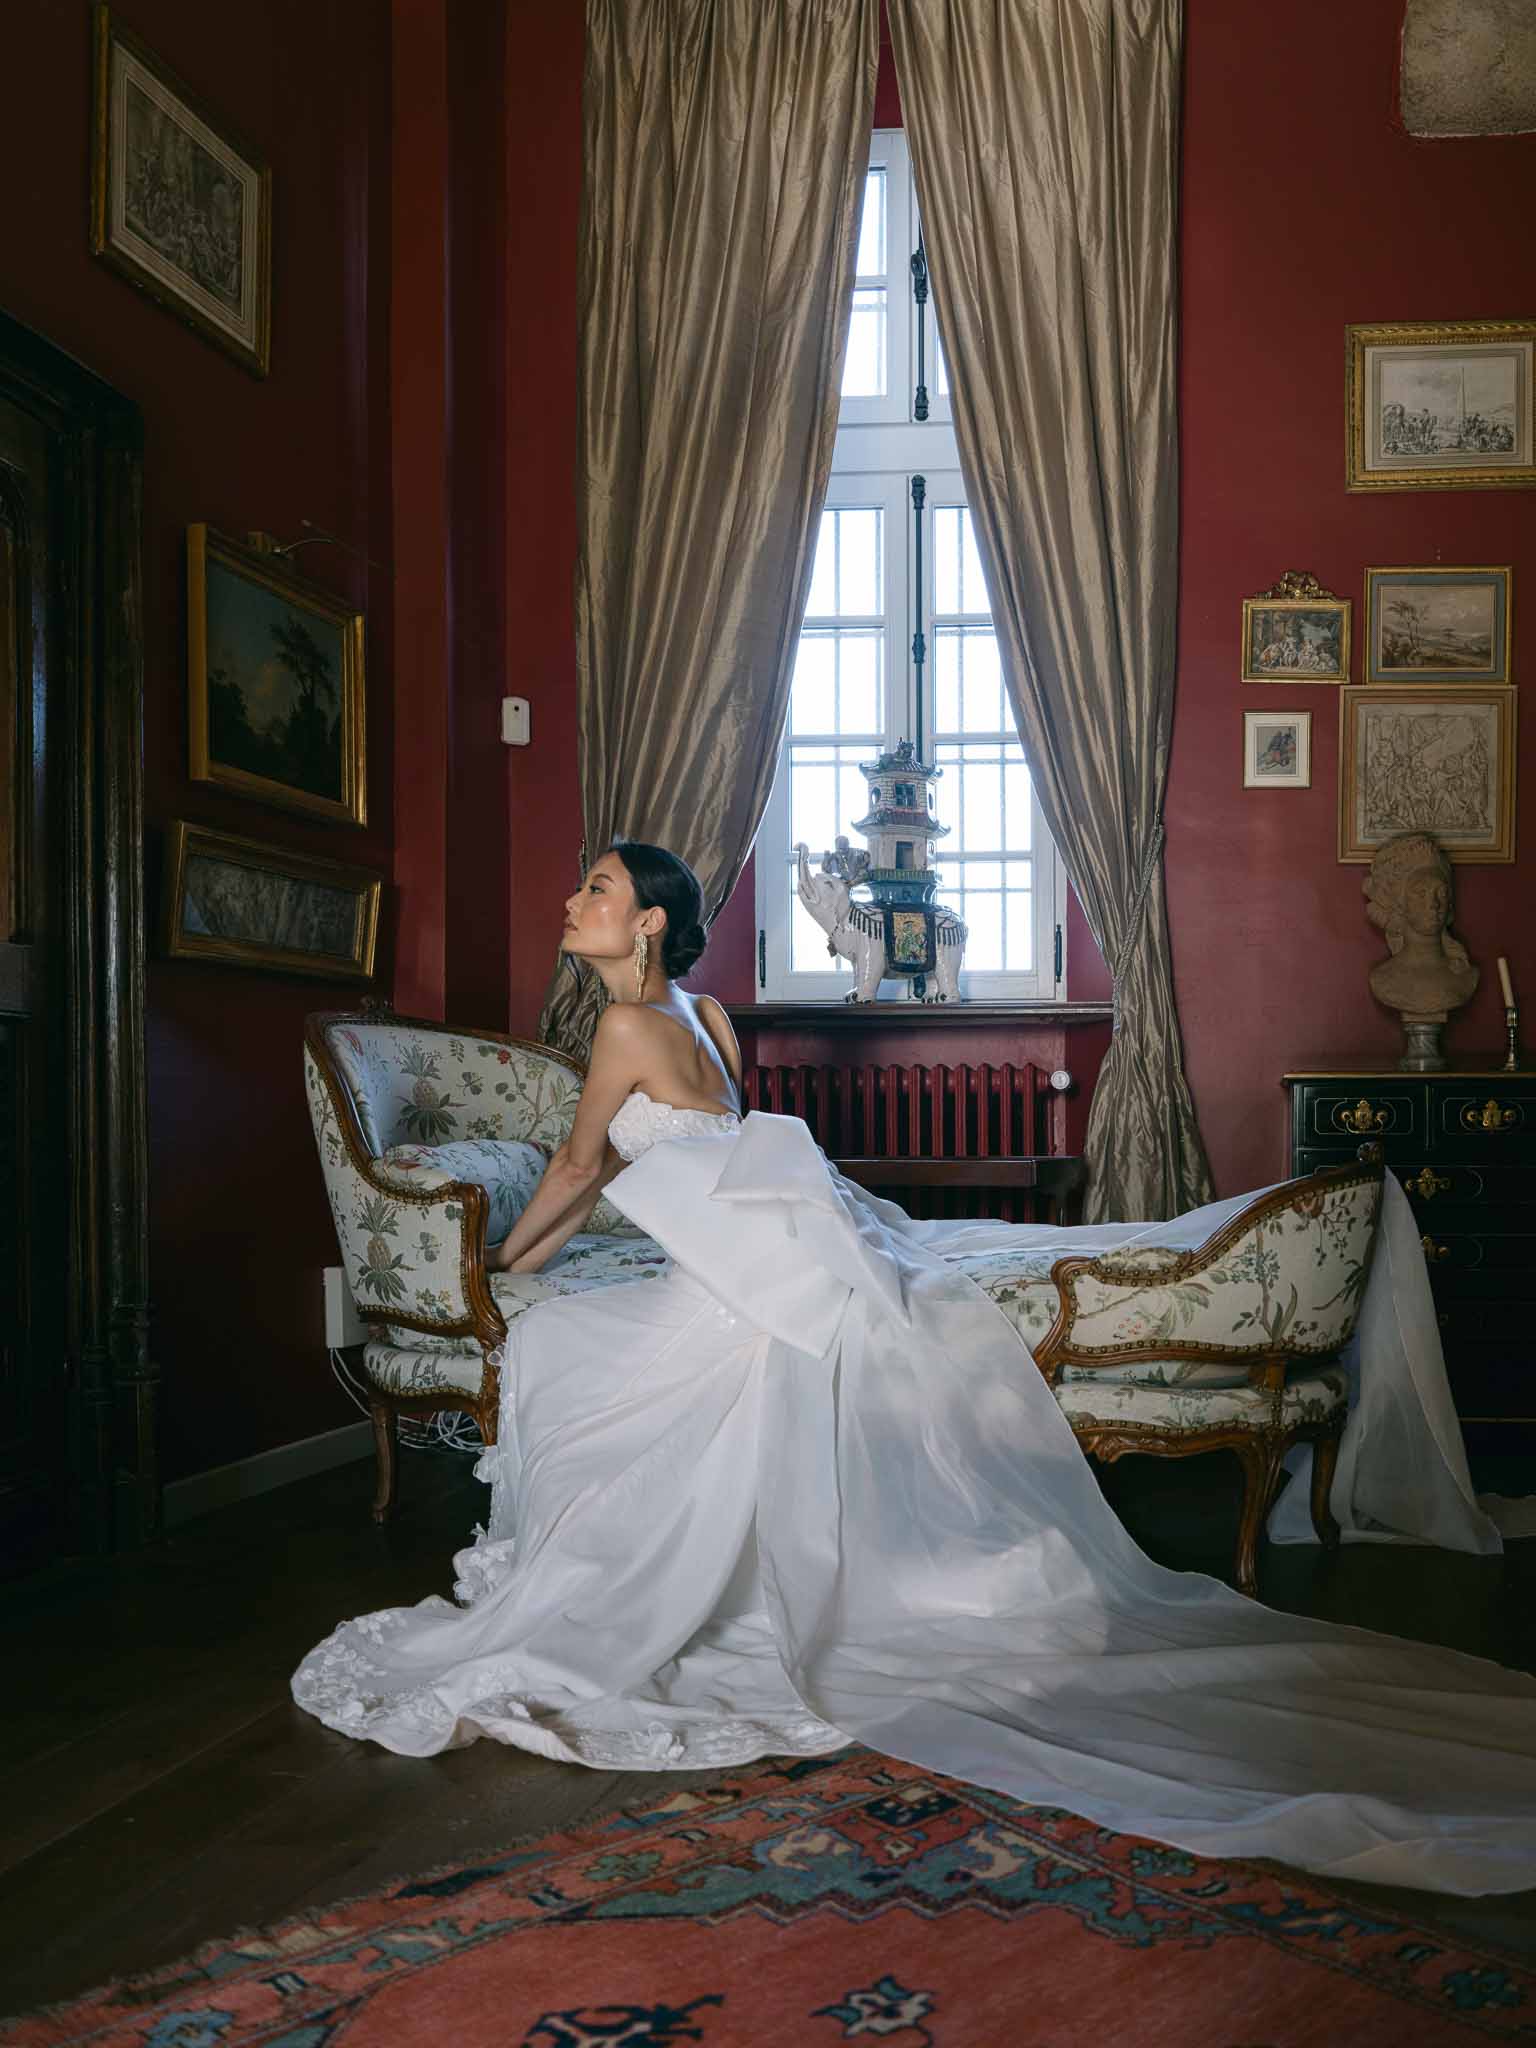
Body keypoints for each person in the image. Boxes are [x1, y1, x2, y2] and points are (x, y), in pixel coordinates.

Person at [293, 841, 1536, 1898]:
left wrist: (498, 1269)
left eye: (599, 887)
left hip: (740, 1280)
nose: (574, 900)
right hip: (782, 1248)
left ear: (650, 919)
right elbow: (622, 1172)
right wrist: (515, 1259)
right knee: (568, 1333)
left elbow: (579, 1167)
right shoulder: (707, 1015)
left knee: (561, 1347)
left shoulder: (624, 1024)